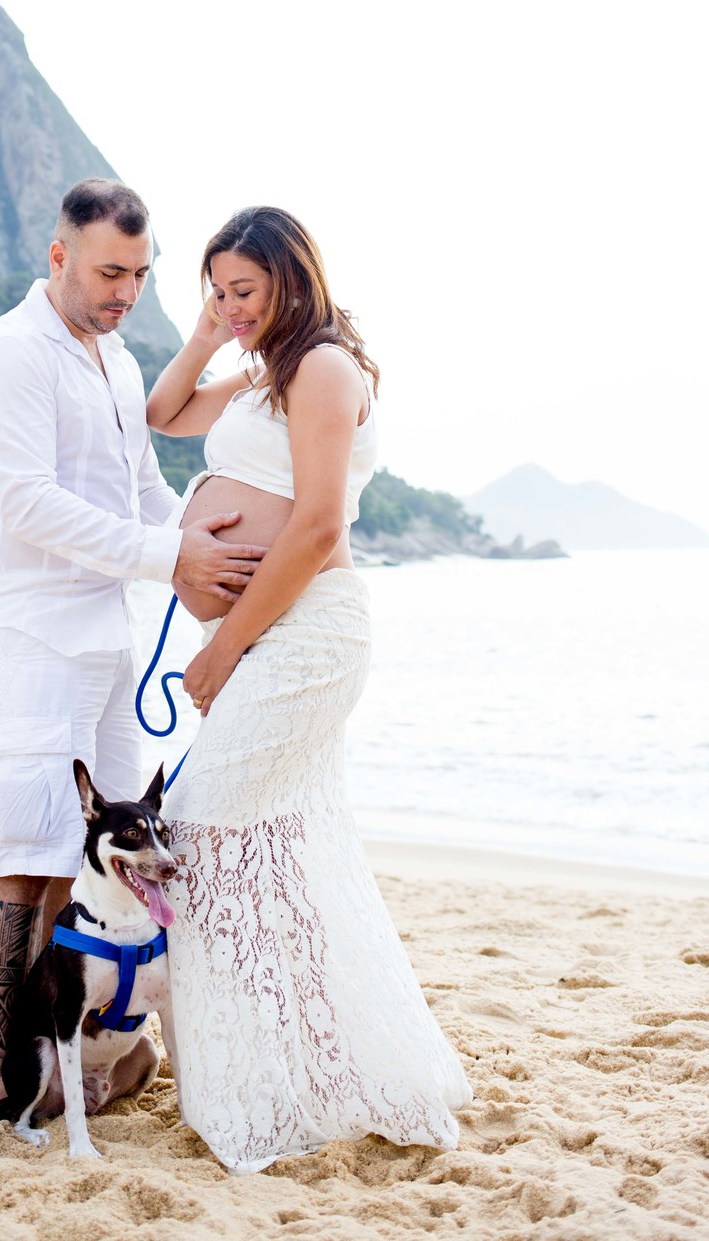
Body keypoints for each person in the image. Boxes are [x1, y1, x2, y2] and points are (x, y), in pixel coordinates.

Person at [146, 206, 472, 1173]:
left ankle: (280, 1071)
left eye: (244, 290)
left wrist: (221, 651)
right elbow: (165, 414)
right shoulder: (261, 374)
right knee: (282, 852)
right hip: (265, 635)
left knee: (202, 830)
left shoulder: (323, 368)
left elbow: (320, 527)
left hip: (305, 636)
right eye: (218, 290)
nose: (230, 307)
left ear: (295, 278)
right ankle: (310, 1065)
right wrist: (208, 332)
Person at [0, 178, 266, 1107]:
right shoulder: (5, 358)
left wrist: (217, 559)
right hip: (18, 630)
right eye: (109, 271)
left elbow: (141, 494)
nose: (126, 290)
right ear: (59, 258)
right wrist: (171, 557)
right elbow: (30, 506)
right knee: (27, 850)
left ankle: (64, 1062)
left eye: (140, 272)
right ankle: (8, 1078)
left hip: (103, 636)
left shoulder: (118, 361)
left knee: (92, 848)